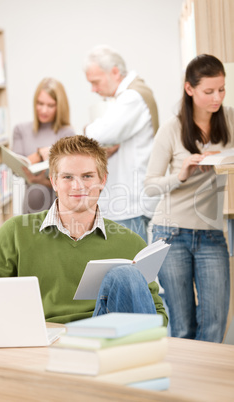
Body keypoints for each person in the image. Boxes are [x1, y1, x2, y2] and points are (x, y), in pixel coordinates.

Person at [0, 135, 168, 325]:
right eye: (68, 177)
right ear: (53, 181)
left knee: (126, 276)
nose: (78, 186)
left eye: (87, 176)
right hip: (44, 340)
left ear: (103, 180)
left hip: (107, 340)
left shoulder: (130, 243)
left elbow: (157, 315)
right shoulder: (16, 233)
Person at [144, 54, 234, 342]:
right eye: (209, 91)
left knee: (215, 326)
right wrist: (181, 174)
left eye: (221, 89)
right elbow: (150, 187)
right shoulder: (171, 129)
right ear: (189, 89)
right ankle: (187, 386)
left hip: (210, 233)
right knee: (183, 329)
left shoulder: (229, 120)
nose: (216, 97)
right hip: (170, 232)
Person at [84, 45, 159, 243]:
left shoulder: (132, 97)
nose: (93, 89)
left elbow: (99, 134)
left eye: (95, 82)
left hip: (130, 203)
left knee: (131, 267)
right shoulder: (126, 96)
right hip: (126, 203)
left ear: (114, 72)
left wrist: (87, 129)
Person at [12, 77, 75, 214]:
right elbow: (16, 169)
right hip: (30, 210)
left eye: (50, 105)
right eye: (40, 103)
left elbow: (71, 180)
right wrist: (39, 154)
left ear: (59, 106)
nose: (44, 110)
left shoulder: (67, 133)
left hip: (59, 212)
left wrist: (45, 181)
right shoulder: (21, 130)